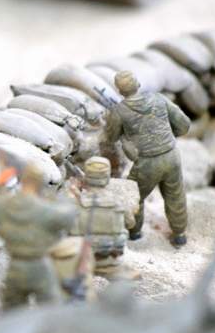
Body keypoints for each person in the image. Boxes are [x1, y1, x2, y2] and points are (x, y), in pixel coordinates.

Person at [104, 70, 191, 247]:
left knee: (134, 195)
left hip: (146, 162)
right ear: (138, 84)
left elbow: (111, 137)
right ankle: (179, 234)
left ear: (120, 91)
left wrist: (123, 136)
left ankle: (135, 233)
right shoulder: (159, 98)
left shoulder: (119, 111)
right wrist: (167, 138)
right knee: (176, 195)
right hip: (171, 155)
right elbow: (184, 125)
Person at [0, 163, 77, 309]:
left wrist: (0, 185)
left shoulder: (7, 205)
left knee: (12, 309)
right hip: (39, 265)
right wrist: (69, 197)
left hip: (15, 265)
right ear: (39, 184)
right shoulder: (44, 209)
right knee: (50, 306)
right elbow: (68, 219)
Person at [69, 157, 139, 281]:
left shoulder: (76, 203)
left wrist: (74, 192)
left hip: (81, 259)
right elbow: (130, 223)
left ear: (86, 178)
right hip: (109, 259)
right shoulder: (118, 203)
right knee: (130, 279)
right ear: (107, 179)